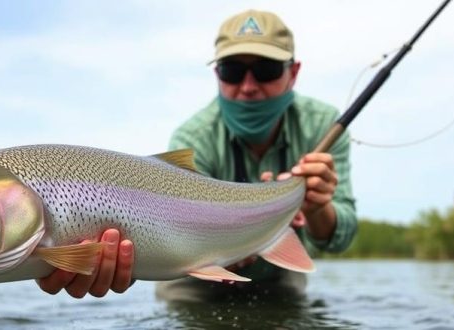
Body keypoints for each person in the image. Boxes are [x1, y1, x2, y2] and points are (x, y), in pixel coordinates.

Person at [36, 9, 357, 300]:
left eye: (266, 69)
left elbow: (341, 237)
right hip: (192, 280)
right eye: (232, 70)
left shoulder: (323, 125)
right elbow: (163, 234)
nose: (248, 86)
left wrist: (316, 207)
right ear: (217, 73)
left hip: (279, 280)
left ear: (294, 72)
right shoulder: (194, 137)